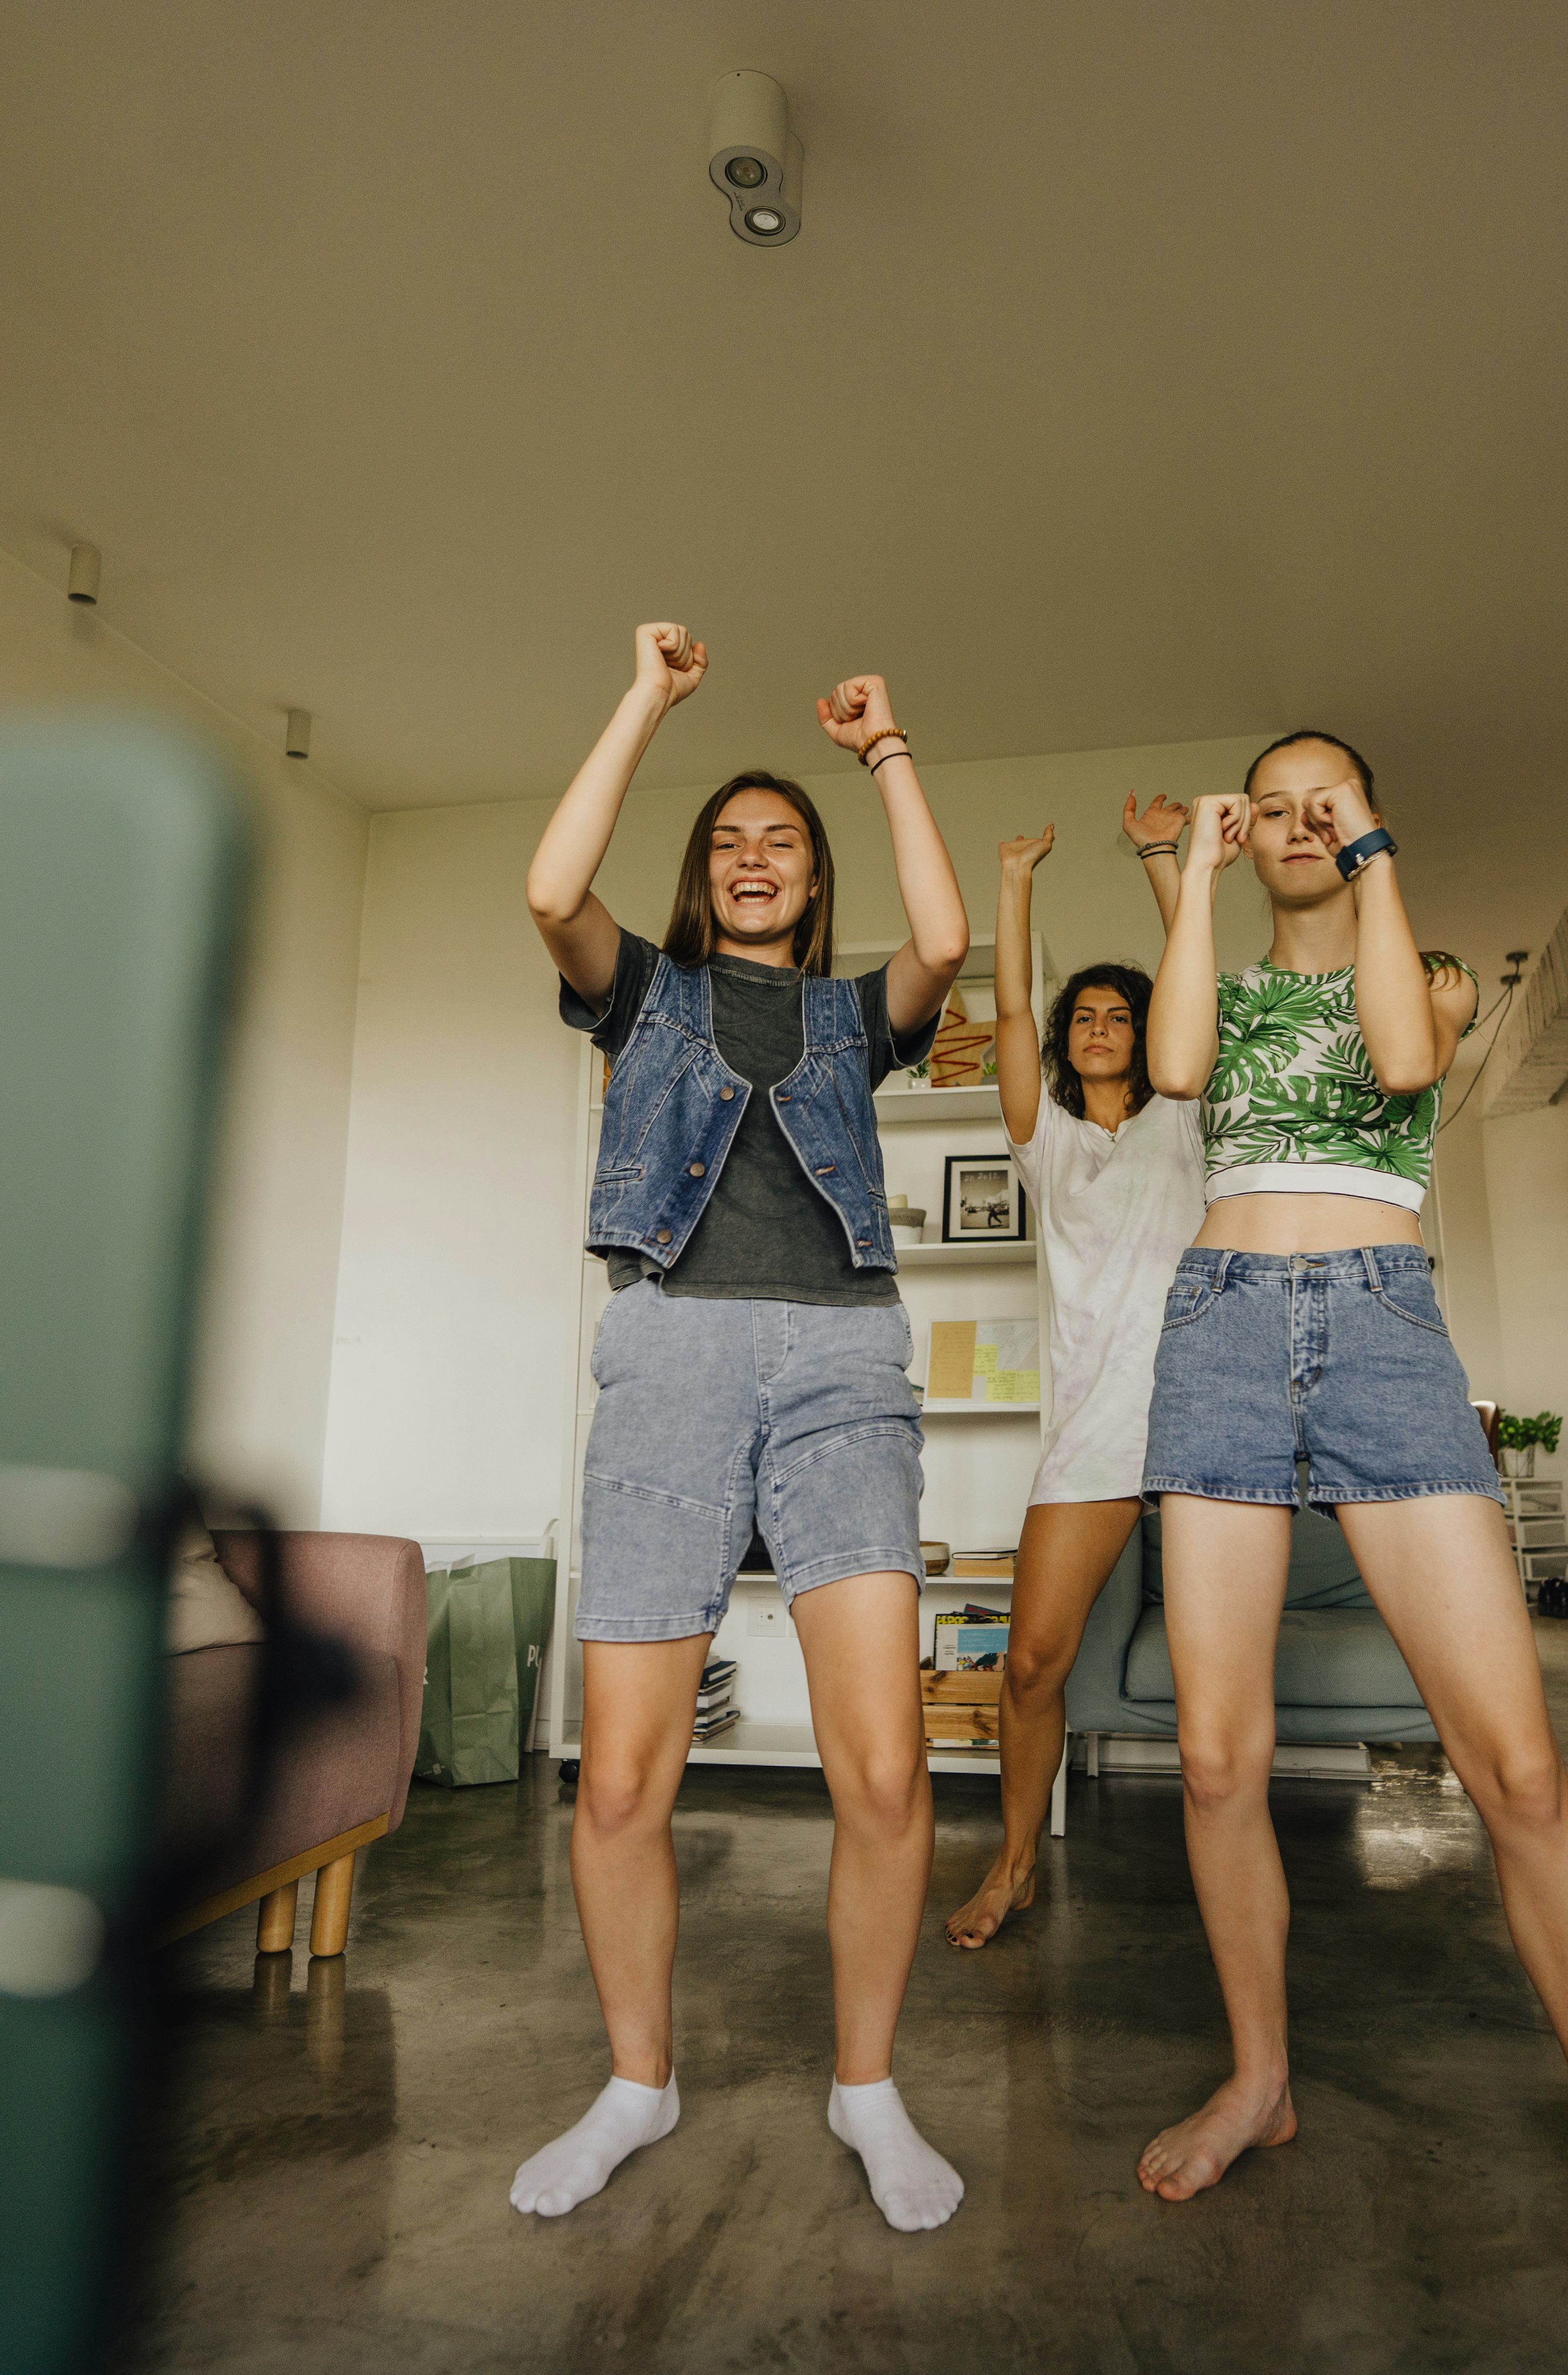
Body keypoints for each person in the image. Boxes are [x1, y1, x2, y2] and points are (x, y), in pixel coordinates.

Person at [1136, 731, 1568, 2322]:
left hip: (1385, 1327)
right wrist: (1188, 875)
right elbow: (1180, 1066)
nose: (1295, 819)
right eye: (1270, 802)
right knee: (1213, 1758)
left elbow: (1405, 1059)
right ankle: (1260, 2075)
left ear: (1366, 819)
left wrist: (1369, 849)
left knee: (1521, 1773)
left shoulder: (1433, 964)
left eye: (1320, 796)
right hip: (1215, 1326)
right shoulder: (1229, 970)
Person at [510, 621, 975, 2236]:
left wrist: (890, 751)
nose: (755, 855)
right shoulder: (640, 990)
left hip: (846, 1361)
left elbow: (948, 933)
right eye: (730, 841)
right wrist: (643, 694)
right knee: (624, 1778)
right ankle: (638, 2084)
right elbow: (553, 893)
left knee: (888, 1772)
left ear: (814, 876)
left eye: (783, 839)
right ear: (705, 878)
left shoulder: (861, 1014)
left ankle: (867, 2087)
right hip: (671, 1352)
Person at [941, 795, 1199, 1950]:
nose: (1099, 1025)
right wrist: (1012, 880)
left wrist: (1163, 858)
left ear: (1150, 1032)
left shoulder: (1187, 1118)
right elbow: (1004, 1009)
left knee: (1216, 1684)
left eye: (1120, 1013)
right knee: (1033, 1661)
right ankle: (1012, 1866)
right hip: (1094, 1429)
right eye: (1083, 1014)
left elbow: (1201, 994)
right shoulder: (1044, 1140)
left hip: (1200, 1419)